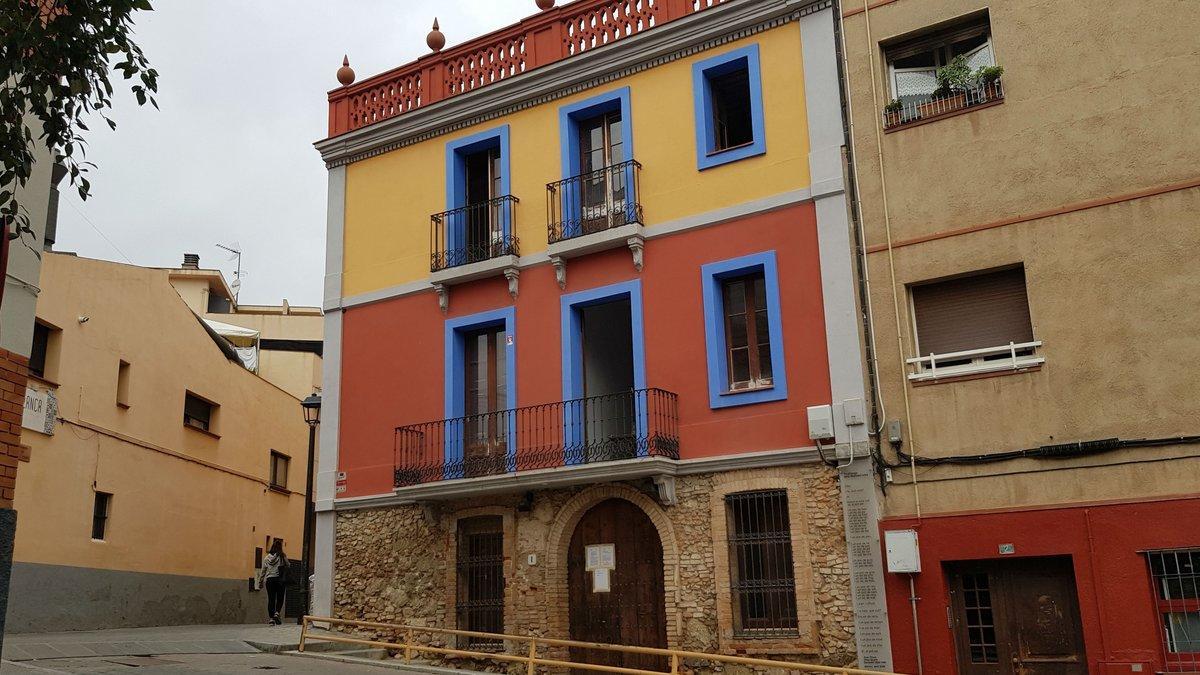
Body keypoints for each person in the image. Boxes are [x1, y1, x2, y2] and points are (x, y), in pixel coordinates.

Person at [258, 540, 290, 625]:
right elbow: (288, 565)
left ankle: (271, 618)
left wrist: (260, 582)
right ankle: (277, 613)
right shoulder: (282, 556)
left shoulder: (266, 558)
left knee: (271, 599)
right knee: (280, 598)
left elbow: (263, 571)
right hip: (279, 580)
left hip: (269, 580)